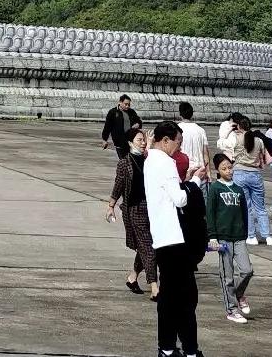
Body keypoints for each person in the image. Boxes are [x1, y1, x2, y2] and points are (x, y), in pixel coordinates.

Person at [146, 120, 198, 357]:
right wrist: (194, 183)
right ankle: (189, 349)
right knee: (186, 298)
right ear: (165, 140)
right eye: (178, 142)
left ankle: (166, 347)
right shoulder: (166, 162)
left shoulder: (150, 160)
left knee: (168, 297)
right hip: (175, 238)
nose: (179, 148)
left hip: (161, 236)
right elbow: (180, 199)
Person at [105, 123, 157, 299]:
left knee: (144, 247)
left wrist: (149, 147)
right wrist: (111, 206)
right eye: (139, 140)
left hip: (152, 209)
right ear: (130, 142)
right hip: (134, 209)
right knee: (149, 248)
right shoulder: (124, 164)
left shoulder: (149, 159)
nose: (143, 143)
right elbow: (118, 186)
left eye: (144, 140)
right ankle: (155, 286)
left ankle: (133, 277)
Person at [204, 151, 253, 323]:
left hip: (239, 236)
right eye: (224, 168)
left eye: (230, 167)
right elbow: (210, 213)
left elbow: (244, 213)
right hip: (223, 238)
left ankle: (239, 294)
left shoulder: (239, 190)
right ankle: (231, 310)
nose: (228, 171)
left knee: (247, 270)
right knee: (228, 276)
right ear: (217, 170)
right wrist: (212, 236)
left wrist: (245, 233)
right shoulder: (215, 189)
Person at [228, 118, 272, 245]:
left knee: (246, 207)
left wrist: (229, 131)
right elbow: (263, 156)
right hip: (255, 174)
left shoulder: (236, 138)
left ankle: (251, 236)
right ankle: (268, 236)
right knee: (260, 207)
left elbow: (222, 144)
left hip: (240, 173)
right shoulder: (259, 140)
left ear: (239, 127)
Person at [176, 102, 210, 184]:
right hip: (199, 171)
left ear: (180, 114)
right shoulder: (201, 130)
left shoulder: (177, 129)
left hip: (184, 172)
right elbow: (206, 154)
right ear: (192, 114)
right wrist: (208, 173)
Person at [101, 94, 141, 158]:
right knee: (123, 159)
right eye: (126, 104)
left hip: (131, 141)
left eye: (129, 104)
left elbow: (138, 121)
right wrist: (104, 139)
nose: (127, 106)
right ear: (120, 102)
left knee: (132, 159)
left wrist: (138, 124)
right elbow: (107, 127)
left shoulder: (131, 112)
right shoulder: (113, 112)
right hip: (119, 141)